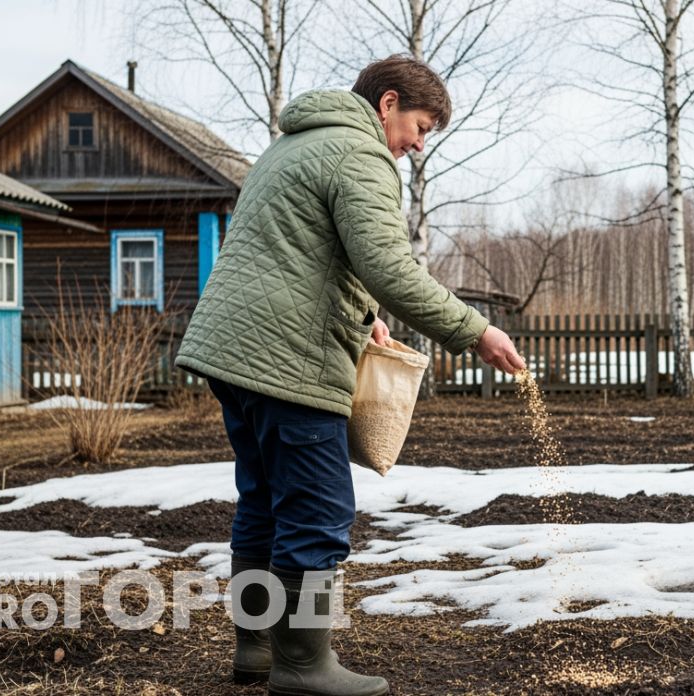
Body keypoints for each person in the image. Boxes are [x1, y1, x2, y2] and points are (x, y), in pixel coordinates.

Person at [175, 54, 525, 696]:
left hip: (232, 349)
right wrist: (476, 331)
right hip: (288, 358)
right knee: (316, 509)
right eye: (420, 126)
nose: (418, 144)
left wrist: (360, 318)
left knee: (263, 501)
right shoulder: (360, 154)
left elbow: (295, 251)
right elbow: (389, 265)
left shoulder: (291, 146)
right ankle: (304, 665)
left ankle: (255, 649)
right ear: (387, 104)